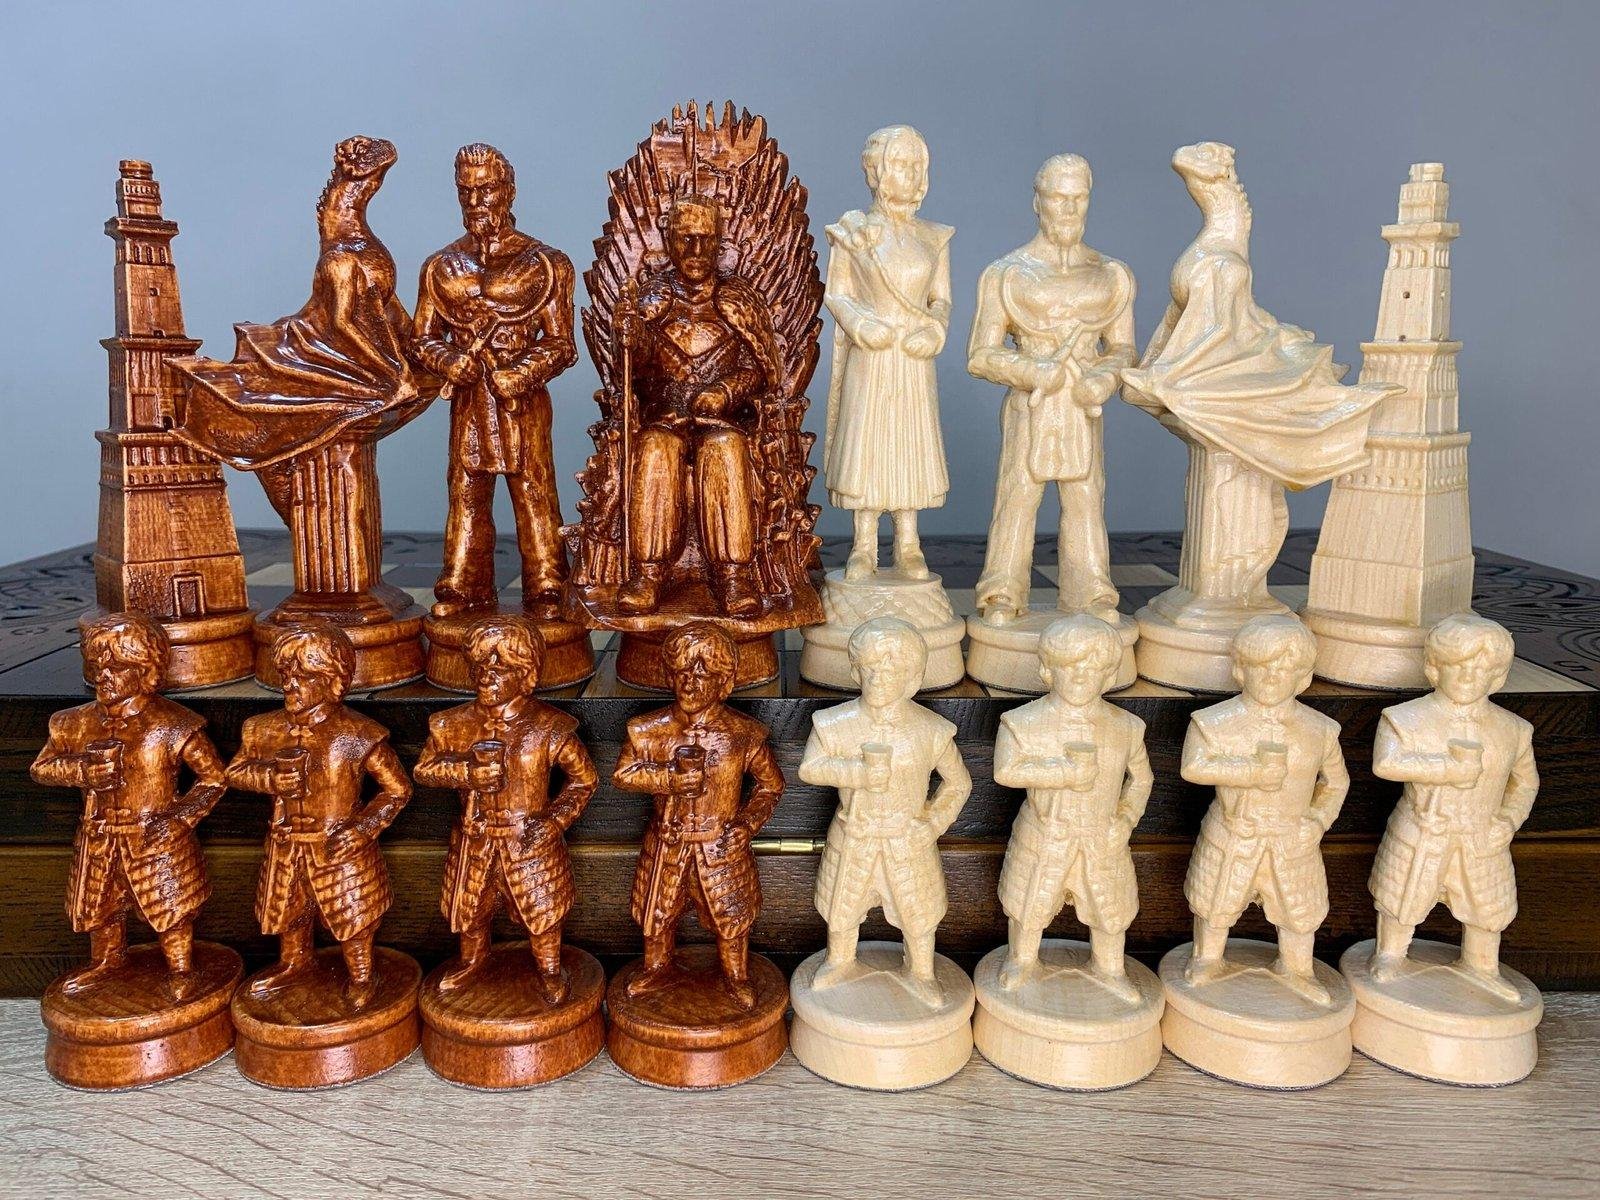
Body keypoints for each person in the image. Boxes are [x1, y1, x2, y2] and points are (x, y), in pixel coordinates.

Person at [413, 144, 579, 617]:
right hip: (469, 399)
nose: (475, 201)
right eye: (465, 191)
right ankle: (463, 580)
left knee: (533, 488)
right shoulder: (441, 266)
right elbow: (421, 339)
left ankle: (547, 580)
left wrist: (521, 373)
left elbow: (562, 343)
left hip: (519, 400)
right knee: (466, 489)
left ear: (508, 190)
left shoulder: (546, 263)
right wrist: (449, 361)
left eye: (485, 190)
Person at [969, 154, 1135, 623]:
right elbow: (980, 354)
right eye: (1058, 198)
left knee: (1085, 495)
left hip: (1081, 403)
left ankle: (1091, 587)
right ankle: (1002, 588)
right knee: (1018, 493)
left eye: (1079, 198)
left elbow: (1124, 349)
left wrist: (1105, 378)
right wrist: (1030, 371)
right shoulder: (1007, 274)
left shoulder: (1112, 274)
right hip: (1031, 402)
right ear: (1037, 201)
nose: (1069, 208)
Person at [30, 613, 227, 994]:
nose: (104, 675)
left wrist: (180, 819)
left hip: (154, 836)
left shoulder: (174, 724)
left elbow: (214, 777)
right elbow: (42, 767)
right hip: (99, 835)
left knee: (170, 907)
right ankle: (107, 961)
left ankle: (181, 969)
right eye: (97, 665)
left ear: (146, 671)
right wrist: (81, 770)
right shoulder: (72, 723)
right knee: (100, 905)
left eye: (117, 667)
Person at [612, 195, 785, 618]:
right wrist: (632, 339)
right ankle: (648, 571)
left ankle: (733, 574)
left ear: (719, 244)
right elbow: (635, 372)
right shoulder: (653, 300)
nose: (695, 250)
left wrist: (726, 390)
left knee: (723, 449)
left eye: (705, 240)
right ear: (669, 241)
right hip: (666, 415)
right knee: (656, 449)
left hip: (721, 418)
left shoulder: (736, 300)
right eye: (685, 238)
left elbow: (761, 368)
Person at [414, 615, 597, 1001]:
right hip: (475, 837)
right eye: (480, 666)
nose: (486, 675)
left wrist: (555, 820)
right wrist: (465, 771)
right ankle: (472, 961)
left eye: (499, 668)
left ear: (526, 674)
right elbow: (424, 769)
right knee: (471, 908)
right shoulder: (451, 725)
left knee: (541, 911)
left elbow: (584, 780)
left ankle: (549, 968)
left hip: (527, 837)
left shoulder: (549, 727)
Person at [226, 624, 412, 1005]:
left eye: (304, 676)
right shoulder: (262, 729)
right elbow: (234, 772)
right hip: (286, 843)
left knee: (352, 917)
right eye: (285, 675)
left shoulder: (359, 734)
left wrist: (362, 828)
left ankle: (361, 974)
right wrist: (269, 778)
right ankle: (293, 962)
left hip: (338, 846)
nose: (290, 684)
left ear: (333, 681)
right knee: (289, 911)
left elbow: (397, 789)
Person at [798, 617, 971, 1008]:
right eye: (870, 668)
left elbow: (959, 784)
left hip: (906, 836)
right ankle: (840, 960)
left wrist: (932, 823)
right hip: (854, 834)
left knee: (918, 913)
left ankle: (922, 971)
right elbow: (810, 768)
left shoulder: (930, 730)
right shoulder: (835, 723)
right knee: (842, 907)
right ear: (856, 670)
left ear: (911, 678)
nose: (878, 678)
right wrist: (857, 773)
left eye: (890, 671)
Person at [613, 622, 784, 1008]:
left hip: (719, 843)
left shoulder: (743, 734)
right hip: (667, 841)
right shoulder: (648, 730)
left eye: (702, 675)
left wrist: (746, 824)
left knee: (731, 916)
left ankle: (736, 975)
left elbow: (771, 785)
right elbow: (623, 774)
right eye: (682, 673)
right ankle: (656, 968)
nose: (689, 684)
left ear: (724, 683)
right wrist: (667, 778)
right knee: (656, 913)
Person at [1368, 615, 1538, 1003]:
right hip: (1424, 829)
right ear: (1434, 667)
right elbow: (1387, 763)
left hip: (1482, 833)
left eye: (1480, 668)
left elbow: (1525, 783)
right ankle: (1391, 954)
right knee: (1402, 897)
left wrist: (1508, 820)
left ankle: (1482, 966)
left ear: (1498, 676)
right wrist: (1446, 767)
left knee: (1488, 907)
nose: (1468, 676)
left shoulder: (1513, 729)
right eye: (1457, 665)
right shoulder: (1406, 719)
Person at [1180, 615, 1348, 1005]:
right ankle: (1207, 959)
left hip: (1293, 836)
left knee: (1299, 910)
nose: (1272, 676)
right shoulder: (1213, 723)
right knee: (1216, 903)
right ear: (1241, 669)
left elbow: (1336, 783)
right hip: (1234, 831)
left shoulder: (1320, 729)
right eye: (1261, 666)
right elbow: (1194, 767)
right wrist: (1250, 771)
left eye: (1284, 668)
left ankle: (1297, 968)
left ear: (1303, 677)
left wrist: (1317, 821)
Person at [993, 615, 1152, 1001]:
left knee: (1110, 910)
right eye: (1069, 666)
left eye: (1092, 667)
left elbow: (1142, 779)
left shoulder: (1126, 727)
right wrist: (1062, 772)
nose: (1080, 675)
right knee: (1029, 903)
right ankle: (1022, 960)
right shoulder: (1023, 723)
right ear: (1048, 670)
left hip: (1102, 833)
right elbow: (1006, 771)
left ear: (1109, 674)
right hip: (1047, 831)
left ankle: (1110, 967)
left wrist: (1126, 819)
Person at [823, 126, 953, 581]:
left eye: (917, 165)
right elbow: (837, 294)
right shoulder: (852, 233)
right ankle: (863, 544)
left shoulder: (934, 237)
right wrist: (861, 324)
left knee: (910, 443)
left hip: (913, 356)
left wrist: (936, 330)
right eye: (899, 164)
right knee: (869, 443)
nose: (909, 174)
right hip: (873, 354)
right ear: (875, 172)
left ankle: (909, 543)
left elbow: (941, 300)